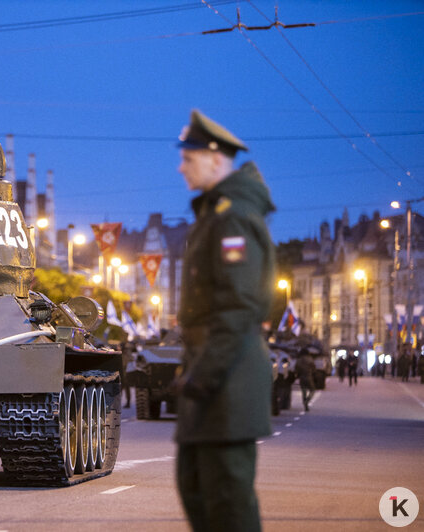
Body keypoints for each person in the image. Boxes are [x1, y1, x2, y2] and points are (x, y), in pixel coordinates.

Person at [172, 110, 275, 532]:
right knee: (196, 488)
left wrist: (203, 377)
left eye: (189, 159)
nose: (181, 166)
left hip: (226, 383)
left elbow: (238, 305)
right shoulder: (214, 213)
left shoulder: (232, 217)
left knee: (227, 506)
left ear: (215, 159)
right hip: (210, 380)